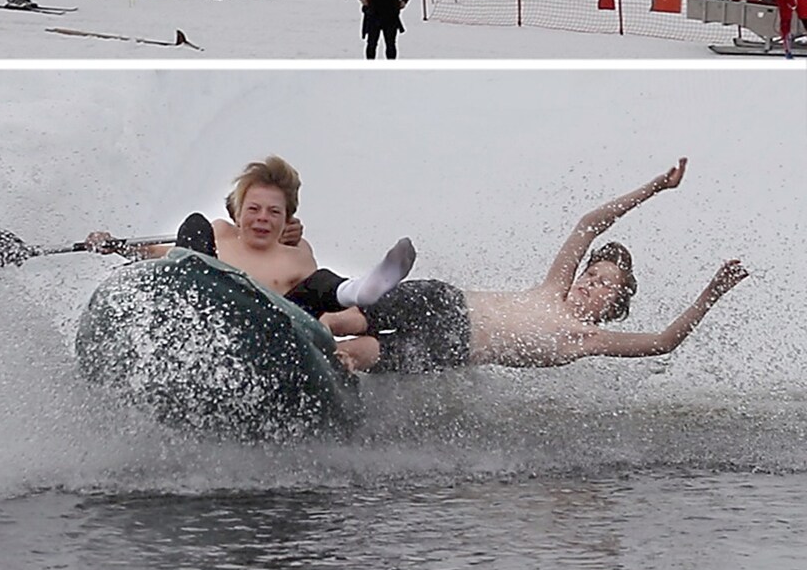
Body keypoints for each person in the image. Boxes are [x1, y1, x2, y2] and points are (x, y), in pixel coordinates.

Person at [332, 159, 750, 373]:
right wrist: (656, 187)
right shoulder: (553, 288)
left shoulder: (587, 338)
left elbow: (663, 342)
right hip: (445, 301)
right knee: (354, 318)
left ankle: (334, 362)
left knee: (364, 353)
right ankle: (319, 321)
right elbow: (589, 224)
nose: (589, 282)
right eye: (590, 273)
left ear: (615, 304)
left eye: (604, 284)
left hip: (453, 347)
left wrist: (712, 293)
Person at [85, 156, 418, 364]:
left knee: (315, 285)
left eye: (274, 212)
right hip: (204, 322)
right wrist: (114, 246)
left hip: (273, 342)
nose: (262, 219)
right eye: (254, 210)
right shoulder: (219, 236)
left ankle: (360, 289)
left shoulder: (295, 255)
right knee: (194, 225)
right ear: (238, 213)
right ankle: (197, 297)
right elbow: (160, 254)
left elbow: (321, 317)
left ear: (287, 219)